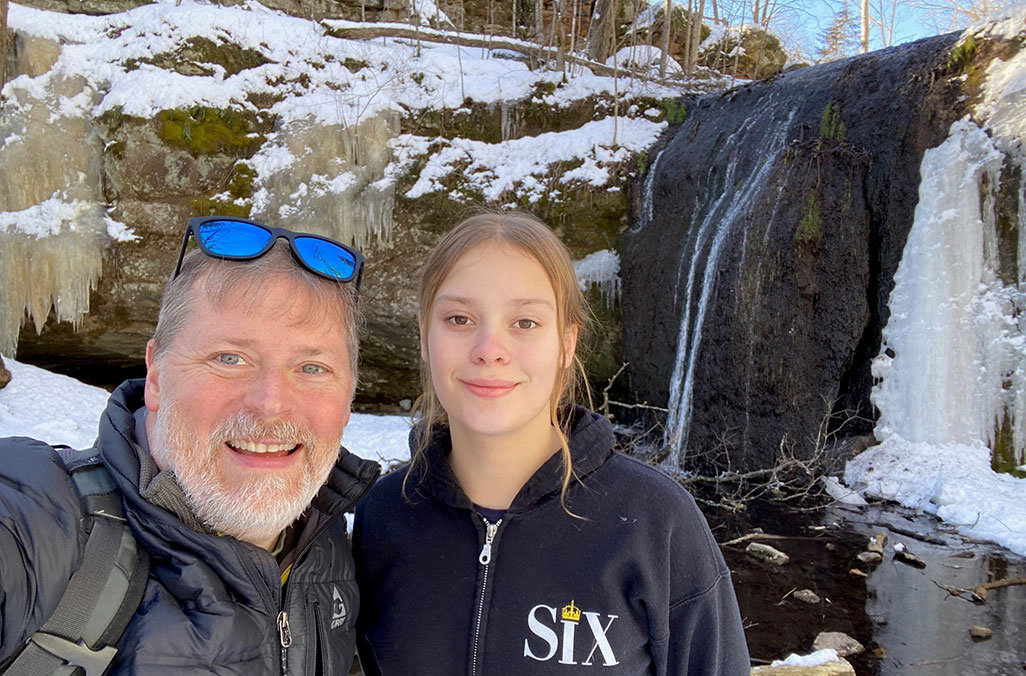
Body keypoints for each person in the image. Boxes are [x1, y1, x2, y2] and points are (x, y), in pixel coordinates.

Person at [353, 212, 750, 675]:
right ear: (424, 336)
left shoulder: (656, 522)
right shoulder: (383, 517)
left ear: (566, 342)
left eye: (524, 322)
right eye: (459, 318)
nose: (489, 347)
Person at [0, 217, 379, 675]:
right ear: (157, 376)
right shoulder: (33, 526)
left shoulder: (339, 554)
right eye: (229, 358)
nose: (272, 404)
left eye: (313, 368)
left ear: (348, 400)